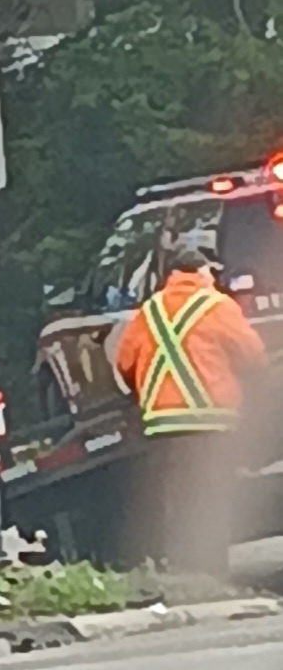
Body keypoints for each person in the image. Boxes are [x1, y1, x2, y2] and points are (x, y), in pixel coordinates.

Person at [113, 246, 268, 574]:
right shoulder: (219, 306)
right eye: (212, 271)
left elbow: (125, 364)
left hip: (161, 426)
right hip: (211, 422)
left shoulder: (148, 311)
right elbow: (252, 355)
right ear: (202, 272)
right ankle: (210, 569)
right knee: (210, 495)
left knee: (174, 498)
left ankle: (180, 568)